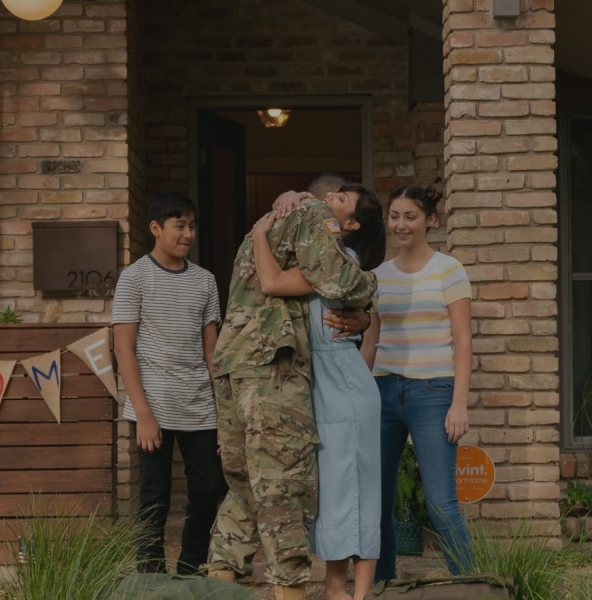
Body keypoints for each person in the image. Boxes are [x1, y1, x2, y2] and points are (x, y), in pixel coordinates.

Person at [205, 174, 378, 600]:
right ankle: (290, 593)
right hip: (272, 367)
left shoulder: (269, 223)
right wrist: (373, 289)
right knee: (284, 487)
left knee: (245, 488)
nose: (333, 204)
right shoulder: (314, 215)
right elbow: (340, 280)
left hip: (233, 364)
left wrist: (364, 320)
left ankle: (218, 585)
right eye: (336, 196)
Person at [362, 185, 476, 581]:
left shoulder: (449, 269)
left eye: (410, 216)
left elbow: (462, 340)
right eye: (394, 216)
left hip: (433, 393)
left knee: (441, 502)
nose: (400, 224)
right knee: (376, 502)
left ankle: (471, 585)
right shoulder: (376, 276)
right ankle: (382, 586)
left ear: (429, 220)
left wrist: (458, 403)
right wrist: (357, 392)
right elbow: (372, 341)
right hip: (383, 392)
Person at [112, 192, 227, 576]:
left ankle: (191, 565)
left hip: (199, 406)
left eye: (192, 226)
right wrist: (143, 414)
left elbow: (212, 354)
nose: (188, 234)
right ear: (156, 229)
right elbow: (124, 351)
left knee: (210, 488)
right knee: (154, 496)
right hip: (153, 405)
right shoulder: (134, 278)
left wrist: (223, 413)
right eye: (180, 226)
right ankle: (151, 574)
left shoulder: (205, 281)